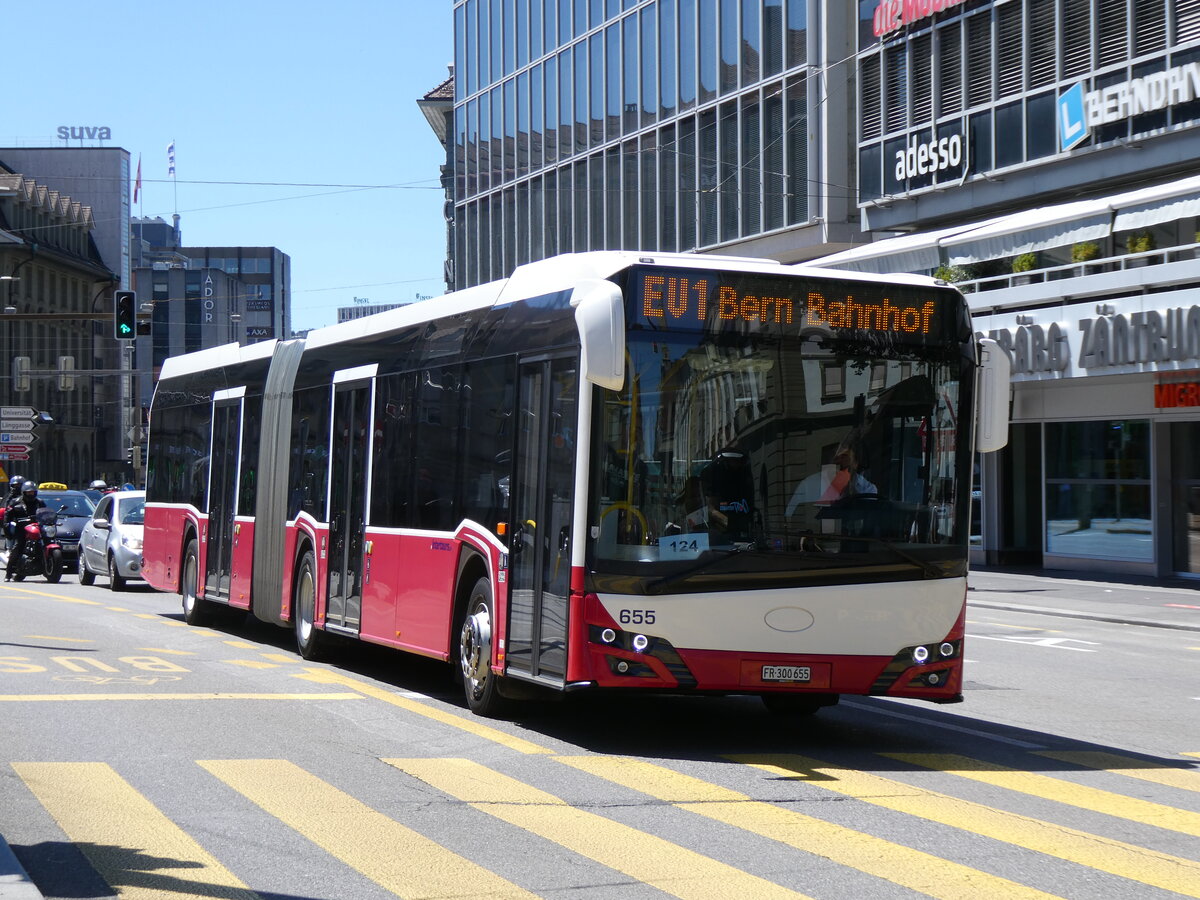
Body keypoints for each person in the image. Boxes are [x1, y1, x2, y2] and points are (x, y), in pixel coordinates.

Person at [699, 448, 755, 541]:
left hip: (741, 532)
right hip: (719, 533)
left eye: (738, 462)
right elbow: (711, 508)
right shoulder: (712, 474)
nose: (737, 465)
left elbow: (750, 502)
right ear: (725, 462)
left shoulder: (743, 474)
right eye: (734, 461)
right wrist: (729, 524)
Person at [5, 481, 45, 581]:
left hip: (37, 528)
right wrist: (7, 523)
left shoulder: (39, 502)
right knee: (18, 547)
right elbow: (8, 514)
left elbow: (46, 512)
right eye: (28, 492)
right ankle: (8, 573)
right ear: (24, 492)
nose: (31, 494)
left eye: (32, 492)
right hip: (22, 528)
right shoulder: (16, 502)